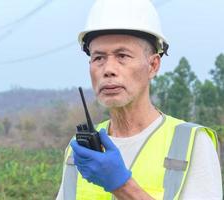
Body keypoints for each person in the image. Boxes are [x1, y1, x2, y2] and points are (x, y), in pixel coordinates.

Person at [56, 0, 222, 199]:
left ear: (153, 65)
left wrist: (123, 186)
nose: (108, 70)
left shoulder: (192, 144)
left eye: (122, 56)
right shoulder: (79, 149)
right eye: (98, 58)